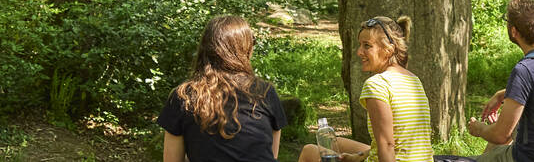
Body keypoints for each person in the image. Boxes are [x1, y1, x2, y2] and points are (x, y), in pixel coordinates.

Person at [298, 16, 434, 162]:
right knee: (336, 142)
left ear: (389, 49)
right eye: (360, 45)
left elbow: (387, 145)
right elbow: (401, 141)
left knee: (310, 152)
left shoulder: (377, 84)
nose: (359, 52)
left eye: (367, 46)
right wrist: (357, 157)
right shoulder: (413, 80)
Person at [161, 15, 289, 162]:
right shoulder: (265, 93)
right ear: (245, 48)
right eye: (252, 41)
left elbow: (171, 159)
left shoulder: (183, 96)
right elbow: (271, 155)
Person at [465, 0, 534, 162]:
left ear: (513, 31)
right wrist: (503, 94)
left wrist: (479, 129)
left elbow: (500, 136)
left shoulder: (524, 70)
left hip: (531, 157)